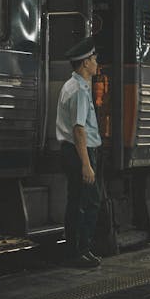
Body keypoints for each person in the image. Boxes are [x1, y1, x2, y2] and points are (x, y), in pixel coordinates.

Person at [56, 36, 102, 268]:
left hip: (73, 152)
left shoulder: (71, 85)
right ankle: (79, 251)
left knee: (78, 202)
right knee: (88, 203)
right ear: (85, 63)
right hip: (79, 153)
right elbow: (79, 130)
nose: (96, 63)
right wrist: (86, 163)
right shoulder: (79, 91)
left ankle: (77, 251)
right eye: (94, 59)